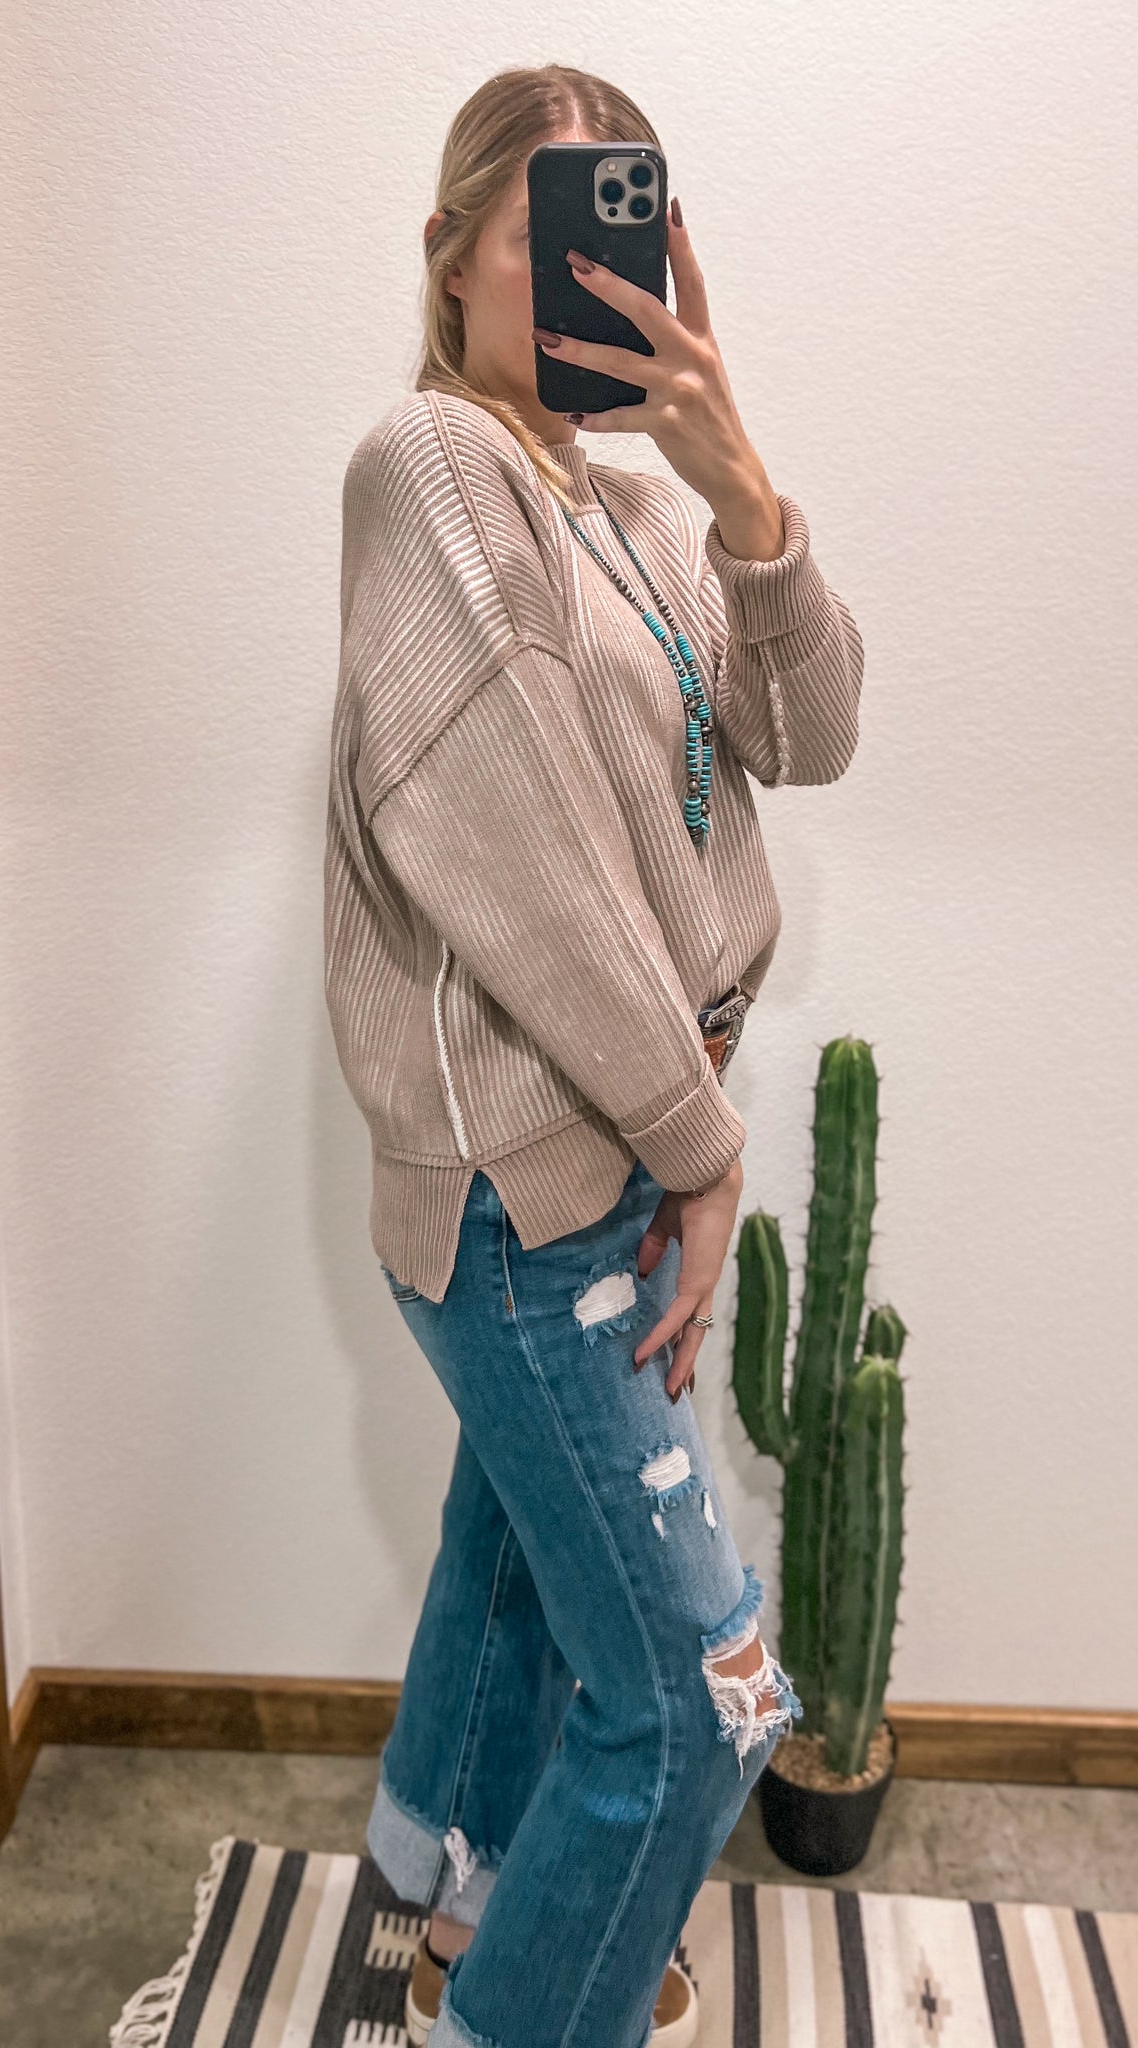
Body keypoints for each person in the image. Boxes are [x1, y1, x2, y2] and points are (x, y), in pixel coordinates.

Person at [323, 62, 864, 2048]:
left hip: (627, 1144)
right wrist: (701, 1145)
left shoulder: (634, 507)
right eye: (544, 227)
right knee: (699, 1690)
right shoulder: (430, 466)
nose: (588, 273)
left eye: (622, 225)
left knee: (520, 1567)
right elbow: (530, 864)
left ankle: (460, 1914)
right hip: (530, 1179)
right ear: (455, 250)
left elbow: (809, 736)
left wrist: (744, 494)